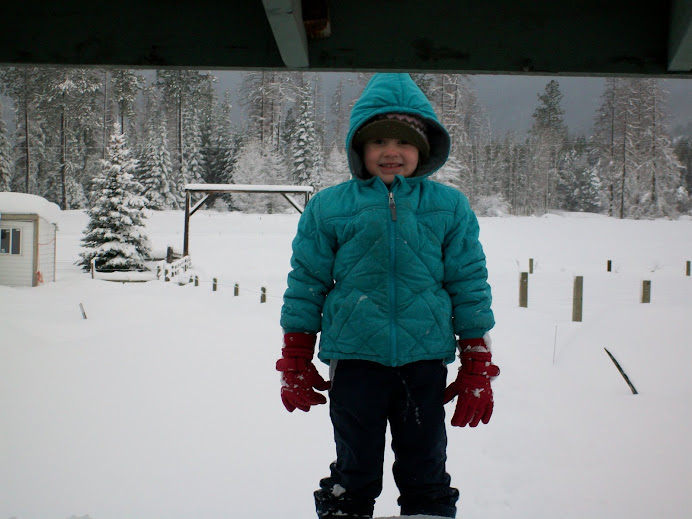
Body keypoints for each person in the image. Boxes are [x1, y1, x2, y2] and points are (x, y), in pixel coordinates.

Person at [276, 73, 499, 519]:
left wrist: (476, 358)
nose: (391, 151)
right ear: (359, 149)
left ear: (425, 149)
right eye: (377, 140)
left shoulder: (450, 206)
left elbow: (468, 282)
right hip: (355, 360)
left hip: (424, 361)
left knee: (425, 467)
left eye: (404, 141)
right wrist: (296, 353)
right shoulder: (330, 205)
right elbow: (307, 281)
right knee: (354, 468)